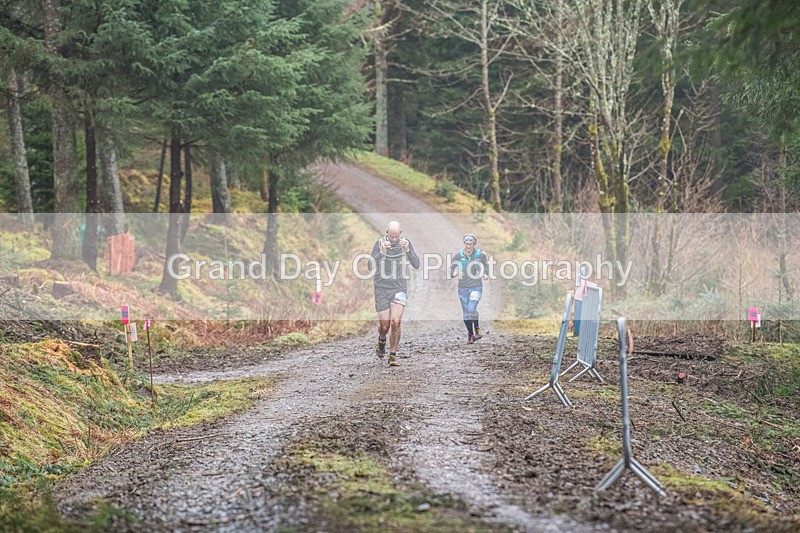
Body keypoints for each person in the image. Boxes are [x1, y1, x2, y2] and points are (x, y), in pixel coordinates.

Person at [370, 221, 421, 366]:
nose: (394, 239)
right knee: (384, 326)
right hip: (381, 287)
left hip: (399, 287)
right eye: (391, 236)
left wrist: (408, 250)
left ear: (400, 234)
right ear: (386, 232)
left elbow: (417, 264)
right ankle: (381, 339)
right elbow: (369, 266)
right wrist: (381, 252)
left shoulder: (405, 243)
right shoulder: (379, 243)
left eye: (396, 236)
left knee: (396, 322)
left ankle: (392, 355)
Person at [449, 233, 489, 344]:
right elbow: (451, 268)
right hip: (462, 288)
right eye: (466, 243)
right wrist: (454, 273)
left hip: (476, 286)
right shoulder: (459, 255)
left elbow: (486, 265)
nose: (468, 246)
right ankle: (471, 334)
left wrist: (485, 274)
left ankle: (477, 328)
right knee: (466, 314)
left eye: (470, 244)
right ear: (464, 243)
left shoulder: (480, 255)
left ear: (474, 244)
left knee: (472, 308)